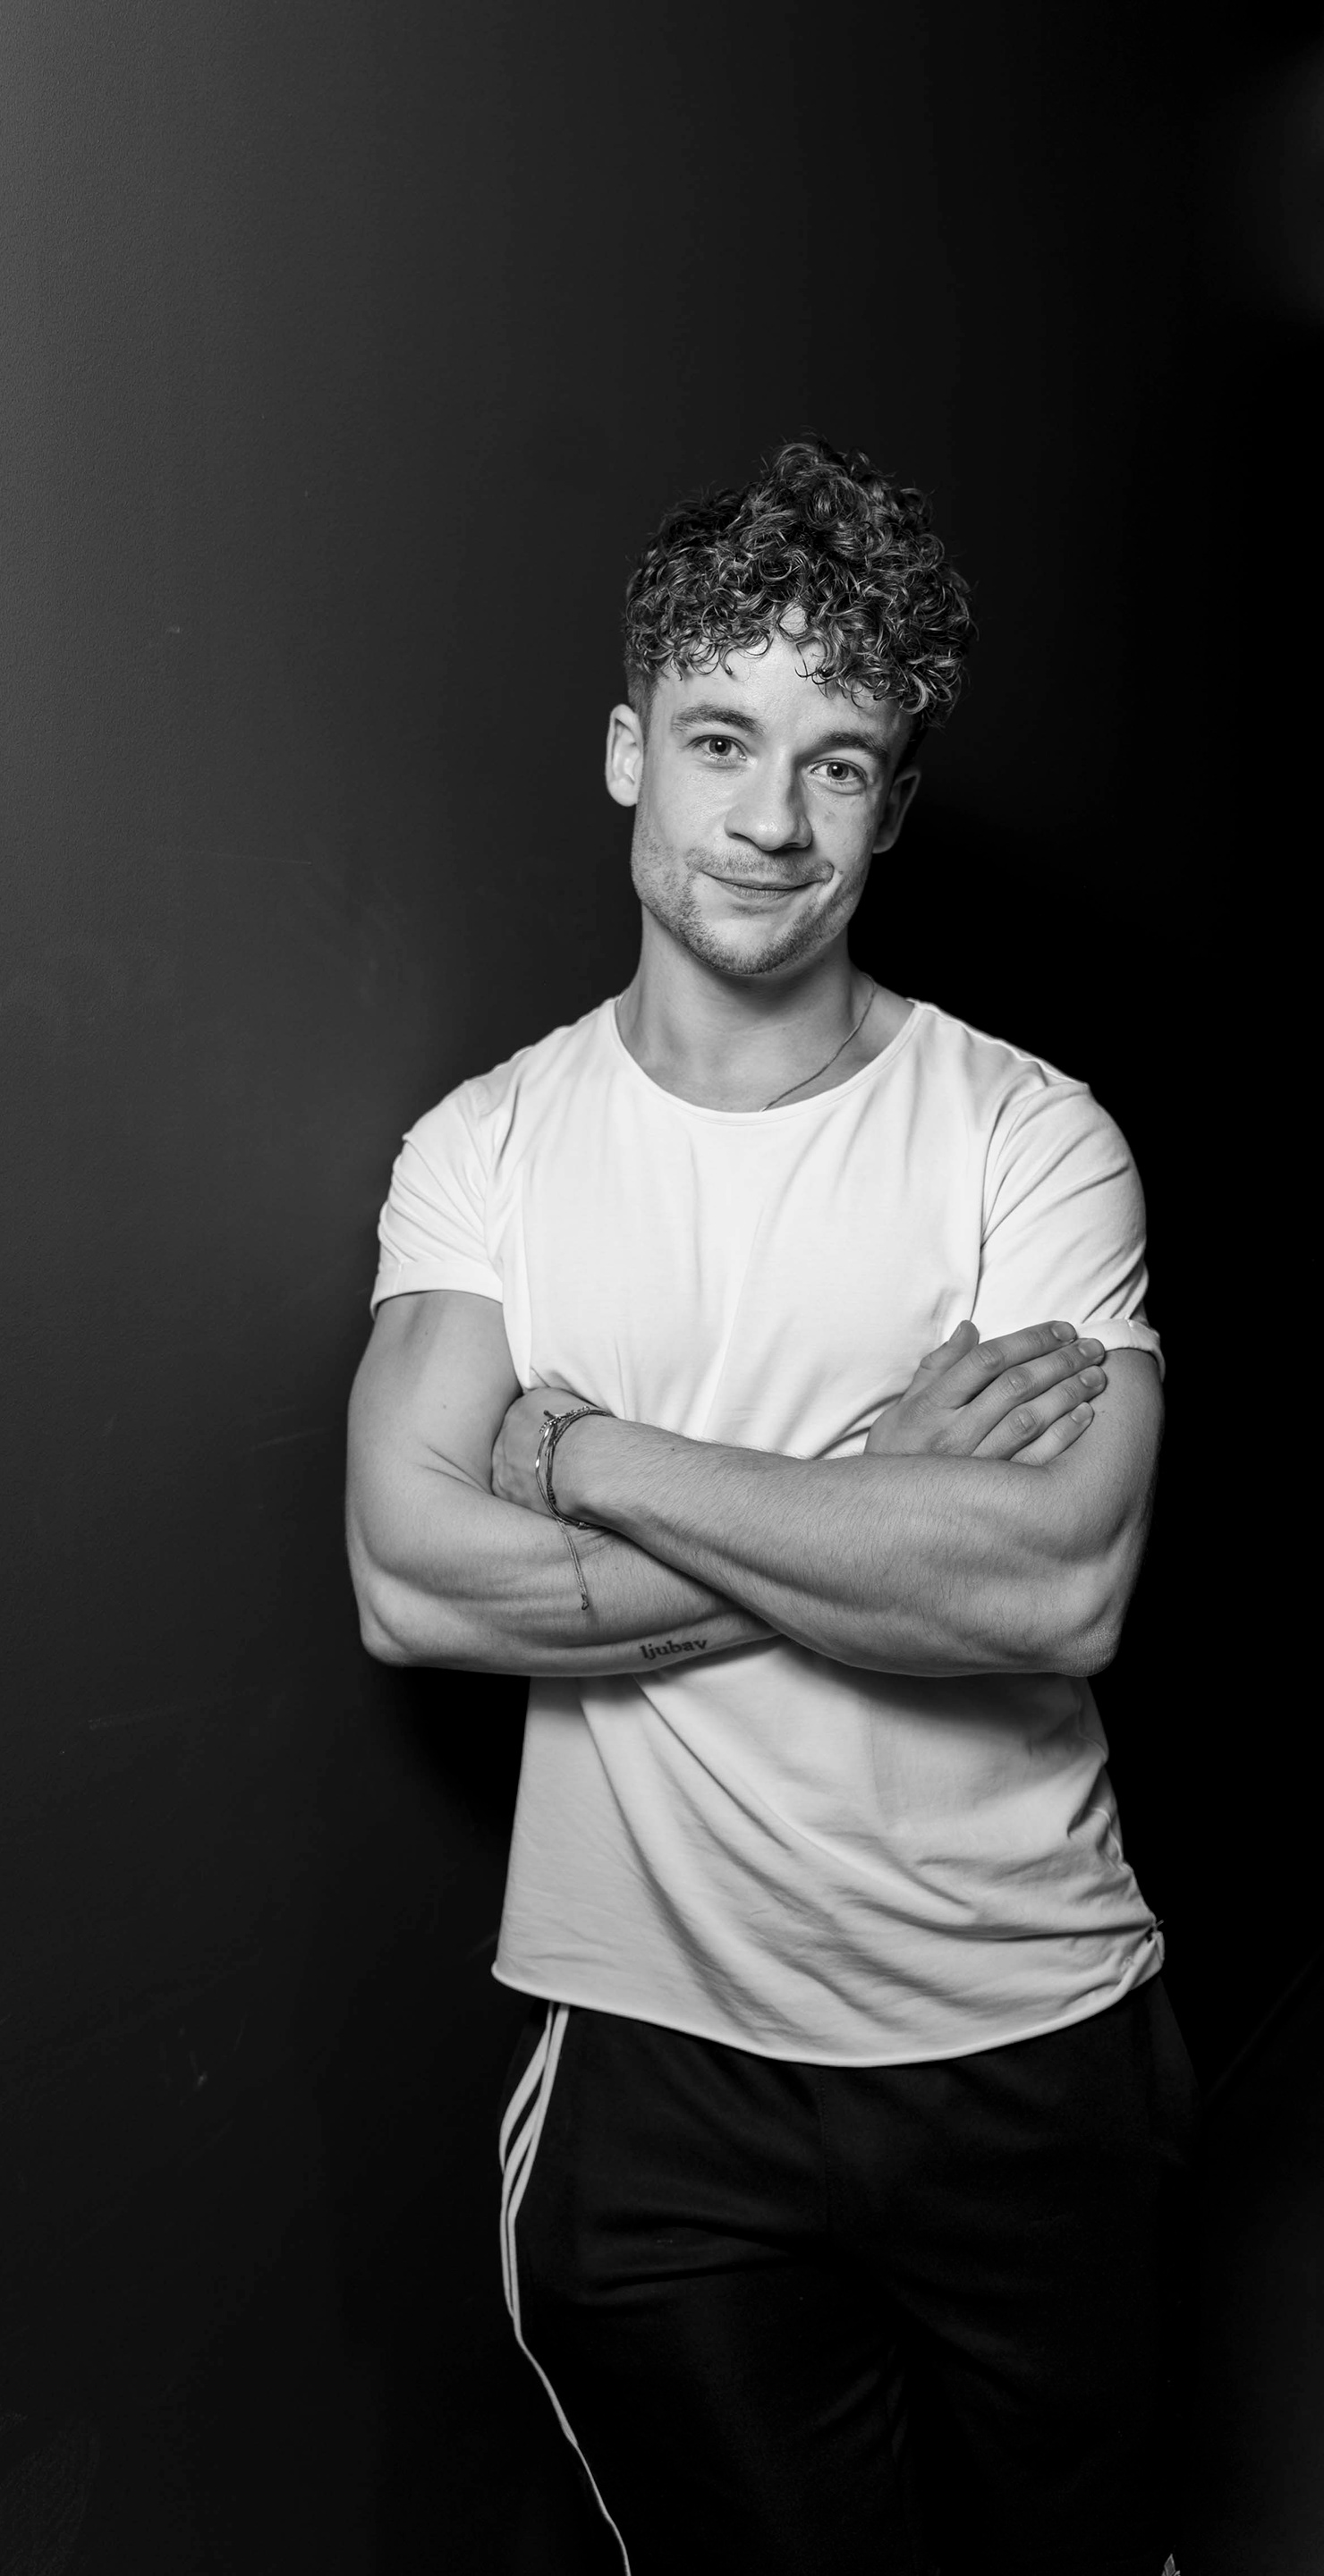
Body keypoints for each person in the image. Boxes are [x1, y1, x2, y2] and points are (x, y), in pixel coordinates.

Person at [344, 436, 1191, 2576]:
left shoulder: (1029, 1138)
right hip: (659, 2074)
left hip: (1027, 2033)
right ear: (630, 751)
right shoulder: (486, 1150)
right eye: (721, 737)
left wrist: (581, 1452)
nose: (771, 817)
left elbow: (1058, 1587)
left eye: (839, 762)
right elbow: (408, 1575)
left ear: (888, 808)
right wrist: (880, 1503)